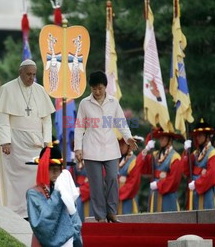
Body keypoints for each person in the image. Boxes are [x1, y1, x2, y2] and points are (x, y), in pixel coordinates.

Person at [0, 59, 55, 218]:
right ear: (20, 72)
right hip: (15, 144)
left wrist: (47, 142)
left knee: (35, 177)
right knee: (15, 180)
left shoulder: (40, 91)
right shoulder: (7, 89)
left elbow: (46, 120)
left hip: (35, 144)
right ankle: (15, 212)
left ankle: (33, 210)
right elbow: (2, 118)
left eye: (34, 75)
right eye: (28, 74)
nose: (31, 78)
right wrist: (5, 140)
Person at [74, 70, 138, 222]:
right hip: (91, 149)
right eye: (94, 88)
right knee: (95, 184)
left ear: (105, 87)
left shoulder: (113, 102)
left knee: (112, 180)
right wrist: (78, 148)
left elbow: (121, 123)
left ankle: (111, 212)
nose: (97, 91)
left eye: (100, 88)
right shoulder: (84, 103)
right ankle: (100, 216)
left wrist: (128, 138)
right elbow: (79, 127)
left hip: (110, 148)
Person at [26, 146, 82, 247]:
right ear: (42, 168)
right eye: (50, 168)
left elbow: (74, 218)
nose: (55, 171)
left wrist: (73, 232)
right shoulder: (33, 193)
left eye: (58, 168)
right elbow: (42, 224)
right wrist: (57, 193)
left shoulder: (65, 191)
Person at [141, 128, 183, 212]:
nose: (161, 140)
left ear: (170, 140)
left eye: (163, 138)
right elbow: (144, 167)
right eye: (160, 138)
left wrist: (158, 185)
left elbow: (174, 179)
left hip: (168, 195)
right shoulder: (156, 154)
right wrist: (146, 149)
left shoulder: (175, 157)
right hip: (155, 193)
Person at [182, 118, 215, 210]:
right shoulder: (196, 153)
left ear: (207, 136)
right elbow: (186, 170)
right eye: (197, 135)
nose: (198, 138)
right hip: (194, 190)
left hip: (206, 191)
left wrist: (197, 183)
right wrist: (186, 152)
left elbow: (212, 175)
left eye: (200, 135)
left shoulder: (213, 153)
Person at [118, 137, 144, 214]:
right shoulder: (116, 160)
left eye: (123, 144)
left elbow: (134, 182)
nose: (120, 147)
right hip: (115, 198)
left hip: (128, 197)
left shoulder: (134, 161)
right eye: (119, 144)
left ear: (129, 145)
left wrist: (118, 193)